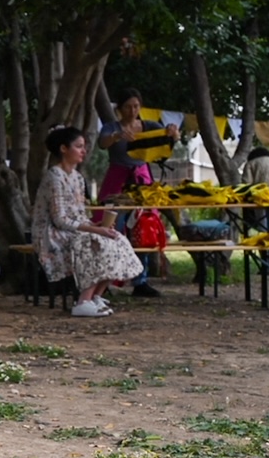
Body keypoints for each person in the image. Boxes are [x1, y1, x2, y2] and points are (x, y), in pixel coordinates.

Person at [32, 126, 145, 317]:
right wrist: (95, 231)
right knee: (90, 242)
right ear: (63, 149)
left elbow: (79, 214)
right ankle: (83, 300)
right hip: (52, 232)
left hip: (72, 228)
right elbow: (59, 220)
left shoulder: (77, 177)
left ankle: (95, 296)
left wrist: (98, 226)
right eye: (78, 146)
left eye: (84, 146)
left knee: (117, 239)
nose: (83, 151)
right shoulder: (54, 177)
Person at [96, 88, 179, 298]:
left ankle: (140, 281)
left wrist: (172, 134)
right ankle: (105, 280)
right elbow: (102, 142)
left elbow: (165, 143)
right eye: (127, 107)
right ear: (119, 109)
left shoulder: (149, 126)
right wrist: (117, 136)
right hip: (117, 180)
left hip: (142, 180)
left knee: (143, 228)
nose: (132, 111)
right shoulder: (111, 128)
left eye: (136, 106)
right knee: (112, 227)